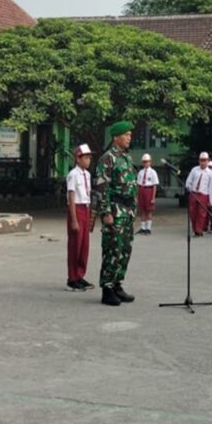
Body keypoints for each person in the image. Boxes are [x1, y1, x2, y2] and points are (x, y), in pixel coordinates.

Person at [93, 121, 139, 307]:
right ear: (115, 137)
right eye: (126, 135)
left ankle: (118, 284)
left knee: (125, 249)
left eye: (130, 135)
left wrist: (134, 210)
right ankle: (107, 288)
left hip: (127, 211)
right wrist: (105, 212)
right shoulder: (107, 158)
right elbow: (102, 187)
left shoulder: (126, 158)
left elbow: (132, 186)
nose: (129, 138)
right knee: (112, 248)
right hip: (115, 209)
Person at [65, 143, 95, 291]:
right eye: (86, 157)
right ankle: (72, 277)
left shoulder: (87, 175)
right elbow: (71, 196)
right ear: (78, 158)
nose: (88, 160)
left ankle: (80, 275)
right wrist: (74, 219)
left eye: (89, 157)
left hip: (86, 208)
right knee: (75, 245)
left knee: (84, 245)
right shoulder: (73, 175)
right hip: (76, 208)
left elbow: (88, 195)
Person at [184, 153, 212, 238]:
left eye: (205, 160)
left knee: (201, 214)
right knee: (192, 213)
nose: (203, 162)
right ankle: (195, 229)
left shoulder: (210, 173)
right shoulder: (194, 170)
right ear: (199, 161)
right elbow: (189, 181)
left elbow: (211, 188)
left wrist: (211, 200)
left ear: (208, 161)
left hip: (203, 195)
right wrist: (189, 188)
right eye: (201, 160)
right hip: (194, 193)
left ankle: (199, 230)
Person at [135, 153, 159, 236]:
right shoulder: (140, 172)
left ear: (150, 162)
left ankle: (148, 228)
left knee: (149, 210)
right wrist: (137, 196)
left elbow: (154, 185)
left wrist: (153, 197)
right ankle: (143, 228)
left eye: (147, 162)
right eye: (144, 162)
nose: (145, 163)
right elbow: (138, 184)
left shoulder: (153, 172)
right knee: (142, 210)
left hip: (149, 190)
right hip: (142, 190)